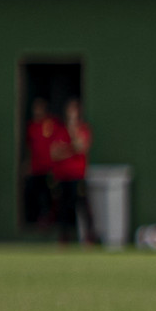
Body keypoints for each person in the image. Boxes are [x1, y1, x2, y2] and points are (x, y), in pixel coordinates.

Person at [53, 100, 93, 246]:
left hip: (78, 176)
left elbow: (80, 146)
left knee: (83, 207)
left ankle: (89, 238)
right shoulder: (59, 130)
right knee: (63, 208)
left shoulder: (82, 129)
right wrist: (69, 150)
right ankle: (64, 239)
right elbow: (54, 153)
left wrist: (72, 131)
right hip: (63, 177)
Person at [25, 98, 61, 226]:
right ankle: (37, 220)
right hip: (36, 169)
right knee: (35, 195)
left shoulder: (51, 123)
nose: (37, 111)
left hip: (50, 168)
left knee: (50, 196)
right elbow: (29, 147)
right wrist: (28, 165)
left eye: (39, 108)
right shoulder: (31, 127)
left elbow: (58, 144)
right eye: (35, 108)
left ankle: (50, 220)